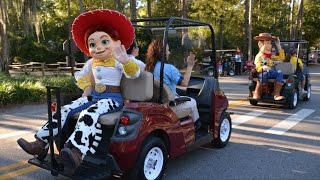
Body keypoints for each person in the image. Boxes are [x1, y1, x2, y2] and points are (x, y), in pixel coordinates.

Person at [17, 9, 140, 170]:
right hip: (95, 96)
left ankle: (77, 152)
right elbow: (82, 76)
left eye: (104, 42)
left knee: (88, 113)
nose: (98, 48)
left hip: (112, 99)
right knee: (65, 109)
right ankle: (41, 143)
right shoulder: (92, 63)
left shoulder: (118, 60)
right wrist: (87, 88)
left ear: (117, 43)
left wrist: (125, 61)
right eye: (92, 44)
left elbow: (134, 74)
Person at [145, 39, 201, 130]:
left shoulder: (148, 68)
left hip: (155, 105)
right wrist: (190, 66)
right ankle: (197, 126)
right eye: (167, 50)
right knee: (193, 102)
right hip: (169, 107)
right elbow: (184, 83)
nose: (169, 53)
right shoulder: (168, 69)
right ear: (162, 53)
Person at [252, 33, 285, 100]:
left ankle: (276, 94)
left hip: (271, 72)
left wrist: (278, 46)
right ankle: (257, 92)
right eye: (267, 43)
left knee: (280, 73)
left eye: (270, 43)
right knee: (264, 75)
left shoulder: (270, 56)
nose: (270, 46)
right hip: (262, 73)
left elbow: (282, 58)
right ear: (260, 45)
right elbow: (257, 67)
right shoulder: (259, 56)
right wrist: (263, 68)